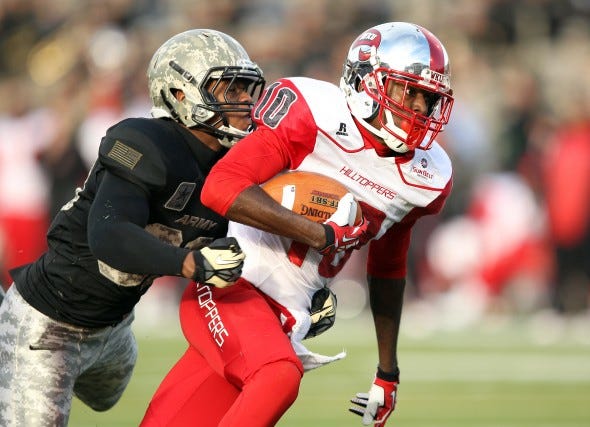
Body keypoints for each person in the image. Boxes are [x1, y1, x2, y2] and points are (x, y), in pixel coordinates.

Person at [141, 22, 454, 427]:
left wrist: (387, 372)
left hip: (284, 318)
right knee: (277, 376)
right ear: (367, 82)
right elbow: (220, 188)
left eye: (427, 98)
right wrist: (319, 235)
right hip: (229, 288)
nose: (418, 109)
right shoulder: (312, 112)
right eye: (405, 90)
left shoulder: (424, 178)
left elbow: (388, 267)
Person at [0, 29, 265, 426]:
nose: (244, 101)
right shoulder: (143, 141)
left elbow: (260, 237)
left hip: (115, 327)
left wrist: (307, 288)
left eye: (247, 89)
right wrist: (190, 262)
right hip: (47, 324)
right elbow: (109, 233)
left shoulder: (235, 159)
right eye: (229, 89)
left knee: (107, 399)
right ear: (179, 94)